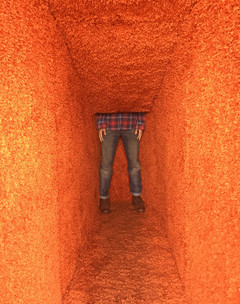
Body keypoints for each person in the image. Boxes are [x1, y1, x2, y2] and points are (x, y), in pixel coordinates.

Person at [96, 112, 146, 214]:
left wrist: (140, 123)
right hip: (109, 125)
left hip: (131, 124)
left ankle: (136, 196)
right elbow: (102, 99)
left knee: (134, 165)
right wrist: (101, 123)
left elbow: (140, 98)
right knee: (106, 166)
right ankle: (103, 198)